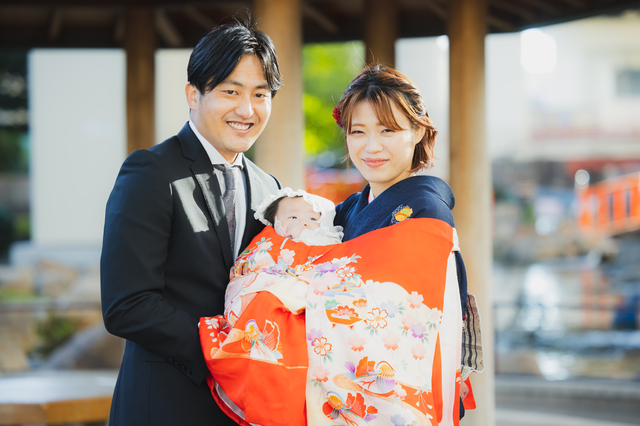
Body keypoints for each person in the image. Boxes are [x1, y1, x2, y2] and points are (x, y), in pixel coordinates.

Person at [100, 20, 282, 426]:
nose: (246, 110)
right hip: (165, 404)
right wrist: (223, 348)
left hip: (244, 409)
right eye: (231, 91)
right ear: (193, 94)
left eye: (260, 95)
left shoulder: (269, 187)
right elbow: (126, 304)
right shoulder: (151, 171)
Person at [331, 64, 474, 424]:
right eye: (358, 131)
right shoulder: (348, 210)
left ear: (417, 131)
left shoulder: (425, 211)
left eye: (388, 130)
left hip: (400, 396)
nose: (371, 146)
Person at [199, 189, 343, 425]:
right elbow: (249, 264)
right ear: (275, 221)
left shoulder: (328, 245)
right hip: (259, 297)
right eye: (292, 217)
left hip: (300, 310)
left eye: (313, 219)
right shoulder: (267, 240)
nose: (303, 223)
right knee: (263, 303)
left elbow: (333, 274)